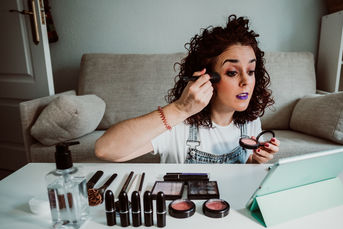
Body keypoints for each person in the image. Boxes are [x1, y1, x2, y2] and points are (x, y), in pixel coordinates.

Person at [95, 15, 280, 164]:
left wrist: (255, 161)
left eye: (251, 71)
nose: (246, 81)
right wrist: (180, 109)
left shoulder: (251, 123)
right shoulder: (178, 126)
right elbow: (105, 150)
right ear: (207, 78)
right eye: (232, 72)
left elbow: (243, 169)